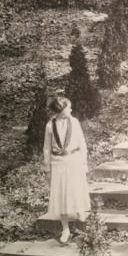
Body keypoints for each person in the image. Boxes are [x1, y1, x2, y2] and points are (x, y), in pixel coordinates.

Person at [43, 96, 91, 244]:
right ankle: (65, 228)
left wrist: (84, 162)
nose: (71, 109)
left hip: (74, 160)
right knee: (61, 195)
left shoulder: (74, 122)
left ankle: (80, 214)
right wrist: (47, 167)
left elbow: (82, 143)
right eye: (68, 107)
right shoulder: (50, 126)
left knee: (76, 189)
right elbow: (46, 148)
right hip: (58, 163)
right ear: (60, 110)